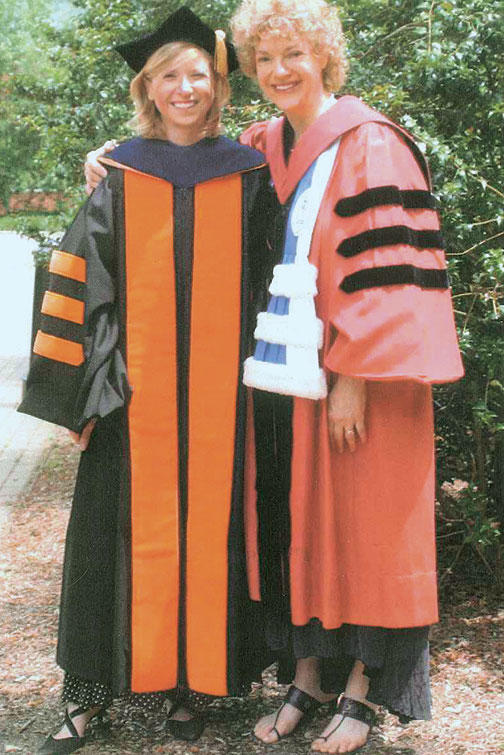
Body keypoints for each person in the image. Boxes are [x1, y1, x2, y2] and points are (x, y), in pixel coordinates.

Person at [85, 1, 464, 752]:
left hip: (362, 384)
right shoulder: (264, 145)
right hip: (288, 385)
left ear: (324, 53)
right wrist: (110, 159)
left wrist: (353, 372)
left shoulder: (372, 144)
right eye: (263, 59)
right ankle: (309, 675)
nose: (279, 70)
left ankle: (363, 686)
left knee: (364, 528)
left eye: (293, 53)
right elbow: (187, 165)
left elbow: (389, 272)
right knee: (299, 526)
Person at [18, 7, 273, 753]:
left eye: (199, 73)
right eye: (170, 76)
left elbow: (274, 282)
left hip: (226, 407)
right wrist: (94, 391)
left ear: (218, 87)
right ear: (149, 89)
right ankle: (87, 697)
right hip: (136, 405)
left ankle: (190, 689)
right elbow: (78, 284)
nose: (185, 87)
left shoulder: (252, 174)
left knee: (213, 538)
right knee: (107, 543)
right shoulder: (120, 172)